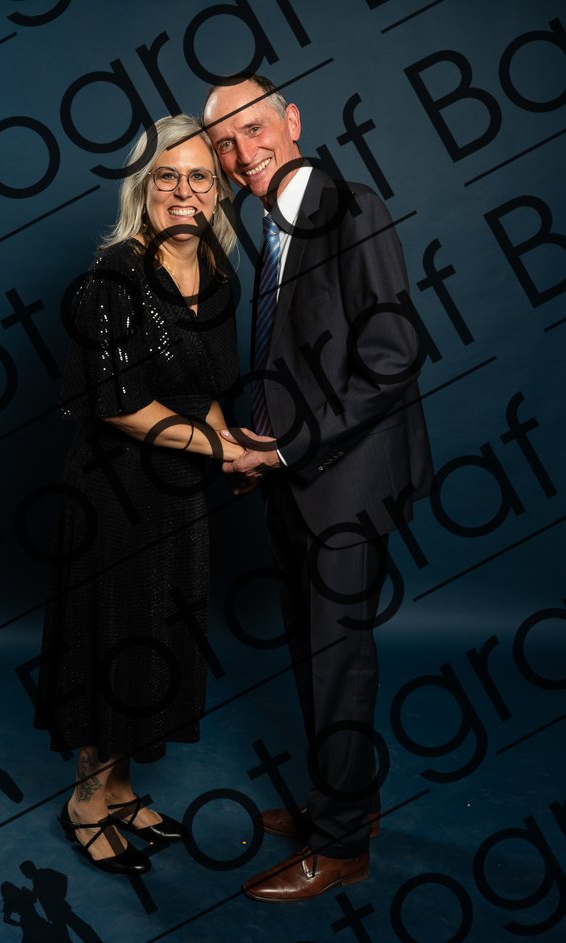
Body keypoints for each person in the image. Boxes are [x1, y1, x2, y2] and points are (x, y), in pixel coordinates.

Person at [203, 76, 434, 901]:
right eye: (223, 144)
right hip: (293, 477)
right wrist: (252, 443)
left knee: (337, 660)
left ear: (291, 120)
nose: (241, 154)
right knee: (310, 649)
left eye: (253, 129)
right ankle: (345, 802)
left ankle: (339, 848)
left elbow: (393, 355)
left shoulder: (350, 208)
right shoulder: (267, 225)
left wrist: (286, 449)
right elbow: (289, 355)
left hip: (347, 482)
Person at [35, 114, 243, 875]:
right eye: (166, 176)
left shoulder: (219, 276)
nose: (183, 191)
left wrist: (235, 446)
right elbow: (121, 406)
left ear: (217, 190)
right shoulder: (112, 280)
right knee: (115, 638)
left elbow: (207, 386)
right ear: (142, 189)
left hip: (178, 494)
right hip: (114, 495)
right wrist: (221, 449)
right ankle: (86, 802)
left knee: (157, 641)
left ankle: (121, 791)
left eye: (199, 176)